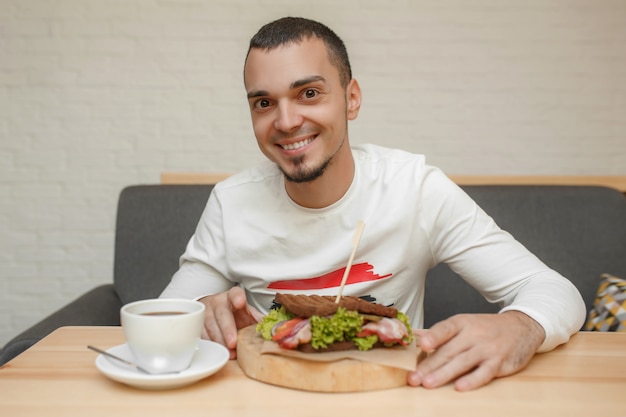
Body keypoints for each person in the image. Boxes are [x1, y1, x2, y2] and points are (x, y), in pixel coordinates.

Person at [160, 16, 586, 391]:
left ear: (351, 98)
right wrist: (199, 314)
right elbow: (161, 321)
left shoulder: (415, 189)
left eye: (309, 93)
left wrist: (519, 325)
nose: (286, 122)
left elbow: (556, 292)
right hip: (268, 394)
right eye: (264, 103)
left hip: (392, 395)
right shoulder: (231, 202)